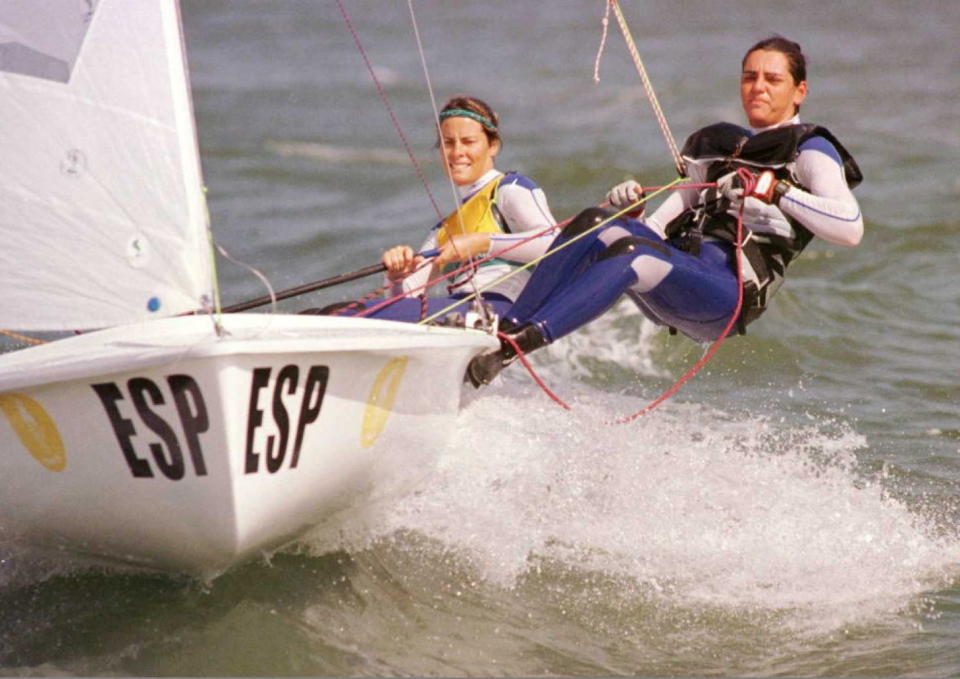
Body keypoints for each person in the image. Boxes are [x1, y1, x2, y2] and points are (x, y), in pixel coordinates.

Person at [467, 35, 864, 387]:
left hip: (725, 295)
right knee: (595, 222)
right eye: (750, 77)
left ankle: (511, 350)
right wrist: (633, 219)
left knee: (632, 254)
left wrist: (775, 190)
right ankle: (506, 327)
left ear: (799, 91)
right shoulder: (718, 146)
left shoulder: (810, 152)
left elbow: (850, 229)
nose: (758, 87)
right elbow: (656, 230)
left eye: (773, 79)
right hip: (681, 270)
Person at [315, 95, 557, 324]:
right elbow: (404, 301)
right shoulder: (443, 230)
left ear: (492, 145)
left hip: (497, 310)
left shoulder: (509, 189)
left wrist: (482, 242)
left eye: (468, 141)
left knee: (342, 316)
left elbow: (553, 243)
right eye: (447, 143)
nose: (457, 152)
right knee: (321, 315)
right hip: (457, 311)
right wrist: (396, 277)